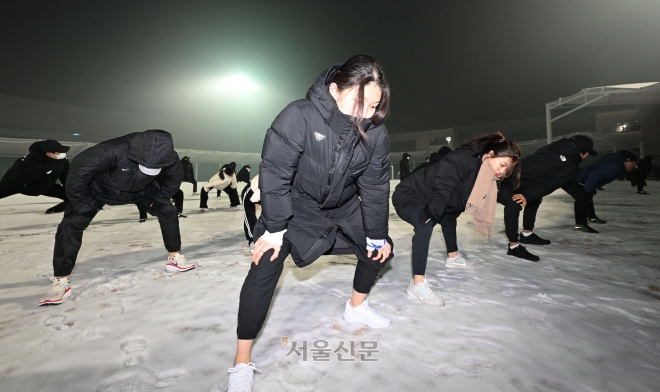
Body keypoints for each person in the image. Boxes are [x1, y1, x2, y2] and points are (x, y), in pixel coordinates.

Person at [225, 55, 393, 391]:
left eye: (374, 105)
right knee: (267, 261)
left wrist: (376, 236)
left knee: (380, 249)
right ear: (334, 90)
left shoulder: (376, 133)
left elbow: (374, 187)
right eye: (360, 103)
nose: (368, 113)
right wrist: (274, 228)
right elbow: (275, 173)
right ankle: (241, 360)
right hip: (296, 202)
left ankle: (356, 308)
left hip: (342, 203)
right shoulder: (299, 115)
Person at [39, 130, 195, 306]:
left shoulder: (169, 157)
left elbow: (174, 179)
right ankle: (61, 280)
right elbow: (79, 171)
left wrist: (161, 197)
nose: (150, 170)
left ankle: (174, 257)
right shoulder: (112, 149)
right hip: (99, 191)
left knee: (168, 211)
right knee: (70, 225)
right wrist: (84, 202)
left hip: (141, 192)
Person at [393, 133, 521, 305]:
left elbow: (463, 195)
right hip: (410, 194)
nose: (501, 172)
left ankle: (453, 258)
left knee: (450, 216)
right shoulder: (462, 159)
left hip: (434, 197)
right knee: (426, 223)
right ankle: (417, 284)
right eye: (502, 164)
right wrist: (432, 214)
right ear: (491, 153)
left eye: (505, 172)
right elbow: (443, 187)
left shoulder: (486, 172)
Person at [498, 135, 595, 261]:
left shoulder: (554, 147)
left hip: (515, 178)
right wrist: (527, 196)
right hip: (505, 181)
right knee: (514, 202)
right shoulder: (571, 167)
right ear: (583, 153)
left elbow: (541, 176)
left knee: (535, 198)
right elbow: (550, 183)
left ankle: (527, 234)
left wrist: (529, 195)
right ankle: (514, 246)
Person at [0, 139, 71, 214]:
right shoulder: (32, 164)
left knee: (72, 196)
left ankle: (55, 210)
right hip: (23, 186)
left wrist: (71, 188)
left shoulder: (61, 159)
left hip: (45, 185)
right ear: (49, 153)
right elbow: (13, 180)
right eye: (58, 152)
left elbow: (66, 175)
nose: (61, 154)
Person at [575, 149, 637, 231]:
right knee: (583, 199)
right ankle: (580, 225)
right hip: (581, 179)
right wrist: (588, 189)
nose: (634, 165)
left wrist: (591, 188)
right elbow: (595, 175)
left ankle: (591, 217)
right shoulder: (615, 167)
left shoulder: (616, 165)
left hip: (584, 178)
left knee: (587, 198)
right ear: (626, 161)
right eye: (633, 163)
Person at [241, 174, 260, 253]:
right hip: (250, 191)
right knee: (250, 215)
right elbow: (263, 186)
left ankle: (261, 235)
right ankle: (252, 240)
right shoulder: (270, 171)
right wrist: (255, 201)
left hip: (263, 194)